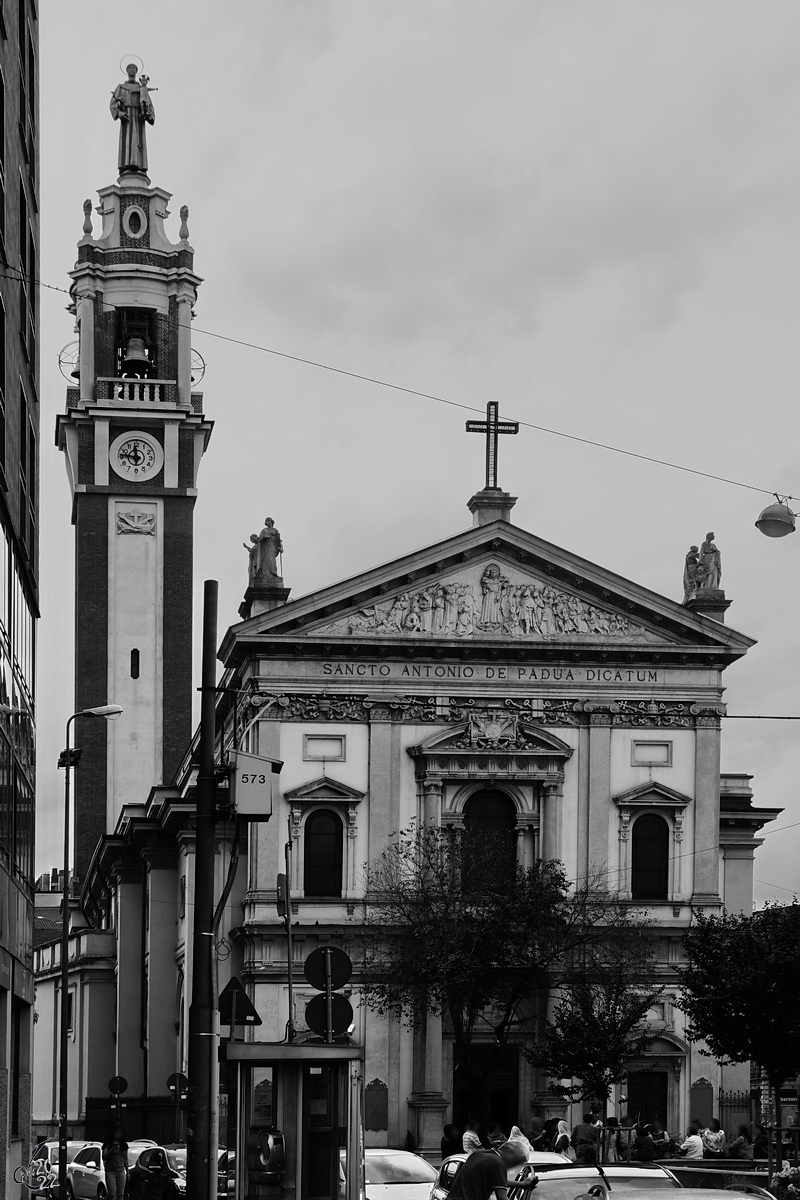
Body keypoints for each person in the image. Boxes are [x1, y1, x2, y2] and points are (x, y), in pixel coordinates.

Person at [448, 1141, 539, 1200]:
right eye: (516, 1162)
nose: (512, 1167)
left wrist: (521, 1184)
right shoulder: (497, 1163)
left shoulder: (478, 1154)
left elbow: (496, 1179)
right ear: (510, 1151)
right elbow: (502, 1198)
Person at [101, 1125, 129, 1200]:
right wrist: (112, 1150)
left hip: (120, 1171)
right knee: (112, 1194)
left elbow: (125, 1159)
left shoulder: (123, 1145)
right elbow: (104, 1157)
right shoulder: (108, 1144)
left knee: (120, 1194)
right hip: (110, 1171)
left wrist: (127, 1171)